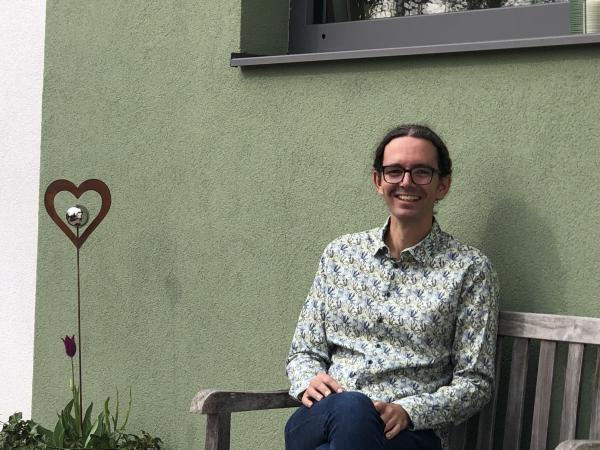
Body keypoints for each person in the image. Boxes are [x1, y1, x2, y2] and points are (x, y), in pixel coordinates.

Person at [284, 124, 499, 450]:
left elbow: (475, 382)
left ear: (443, 185)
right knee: (352, 408)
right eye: (395, 171)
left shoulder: (469, 270)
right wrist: (307, 381)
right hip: (327, 414)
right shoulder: (341, 254)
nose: (406, 182)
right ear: (378, 181)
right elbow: (305, 351)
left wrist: (409, 411)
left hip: (407, 435)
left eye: (421, 172)